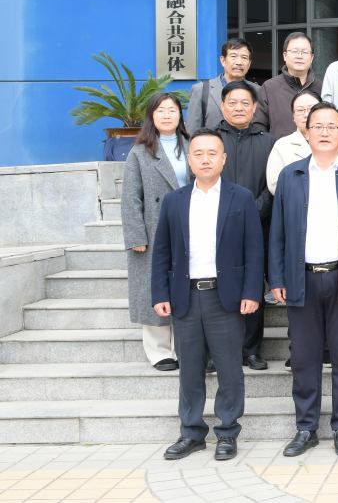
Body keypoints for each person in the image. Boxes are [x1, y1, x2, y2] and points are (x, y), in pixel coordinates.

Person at [268, 102, 338, 458]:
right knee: (304, 358)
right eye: (318, 126)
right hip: (302, 279)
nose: (325, 132)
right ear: (307, 131)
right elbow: (278, 231)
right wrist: (277, 276)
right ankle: (306, 427)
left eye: (332, 126)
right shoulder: (291, 175)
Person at [150, 129, 264, 462]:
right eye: (198, 153)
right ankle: (191, 433)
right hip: (185, 297)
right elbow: (162, 251)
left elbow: (254, 249)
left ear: (223, 159)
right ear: (189, 159)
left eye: (212, 153)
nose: (205, 159)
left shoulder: (240, 198)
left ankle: (227, 432)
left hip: (224, 298)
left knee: (229, 369)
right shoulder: (175, 200)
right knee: (190, 369)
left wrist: (252, 291)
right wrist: (160, 293)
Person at [121, 93, 188, 371]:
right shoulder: (139, 152)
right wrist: (136, 236)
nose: (167, 115)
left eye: (172, 110)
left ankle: (184, 346)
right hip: (154, 227)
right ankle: (159, 351)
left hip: (188, 226)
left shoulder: (192, 145)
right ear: (151, 116)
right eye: (161, 110)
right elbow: (130, 198)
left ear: (180, 115)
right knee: (155, 285)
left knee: (184, 285)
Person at [216, 80, 276, 371]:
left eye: (245, 103)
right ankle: (219, 351)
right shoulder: (210, 139)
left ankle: (252, 349)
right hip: (217, 226)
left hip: (257, 225)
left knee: (253, 285)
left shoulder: (268, 141)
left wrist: (252, 212)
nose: (239, 108)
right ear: (222, 106)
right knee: (219, 287)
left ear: (254, 108)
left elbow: (272, 186)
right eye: (233, 103)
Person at [266, 90, 338, 194]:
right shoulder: (282, 145)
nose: (306, 114)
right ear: (293, 117)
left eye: (311, 108)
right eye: (300, 110)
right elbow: (275, 184)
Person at [185, 39, 258, 134]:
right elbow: (192, 131)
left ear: (249, 63)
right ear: (223, 60)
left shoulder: (258, 91)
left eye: (244, 57)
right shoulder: (202, 90)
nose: (239, 62)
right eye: (233, 56)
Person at [256, 32, 320, 139]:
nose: (299, 56)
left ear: (312, 57)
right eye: (295, 51)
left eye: (304, 52)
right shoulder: (269, 88)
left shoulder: (321, 88)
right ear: (285, 56)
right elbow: (259, 126)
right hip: (279, 149)